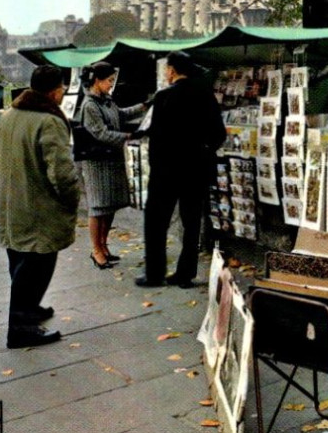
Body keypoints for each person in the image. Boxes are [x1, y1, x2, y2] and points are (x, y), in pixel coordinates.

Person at [0, 65, 80, 349]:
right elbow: (62, 174)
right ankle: (21, 328)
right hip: (39, 209)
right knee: (36, 266)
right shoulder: (49, 121)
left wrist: (14, 184)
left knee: (19, 261)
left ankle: (30, 310)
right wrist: (70, 199)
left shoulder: (7, 116)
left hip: (11, 206)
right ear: (55, 90)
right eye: (61, 88)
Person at [136, 51, 226, 289]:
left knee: (156, 222)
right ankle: (185, 274)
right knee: (192, 223)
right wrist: (202, 152)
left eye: (166, 69)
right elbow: (219, 134)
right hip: (195, 170)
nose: (165, 73)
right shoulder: (205, 96)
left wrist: (157, 164)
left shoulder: (164, 97)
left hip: (165, 171)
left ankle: (155, 273)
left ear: (172, 70)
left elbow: (155, 137)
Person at [77, 61, 147, 269]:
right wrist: (129, 136)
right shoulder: (90, 105)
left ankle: (103, 245)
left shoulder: (106, 100)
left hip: (111, 160)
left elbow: (121, 115)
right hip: (97, 163)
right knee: (98, 207)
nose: (111, 85)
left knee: (109, 206)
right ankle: (96, 249)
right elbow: (100, 133)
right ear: (97, 81)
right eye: (108, 81)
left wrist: (144, 107)